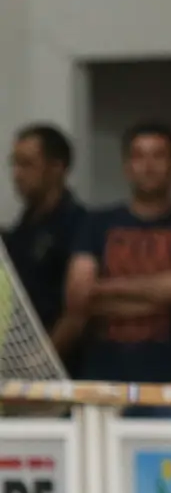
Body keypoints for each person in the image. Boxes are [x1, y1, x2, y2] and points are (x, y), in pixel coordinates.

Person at [56, 122, 171, 403]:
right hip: (101, 383)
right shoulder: (96, 223)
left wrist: (102, 290)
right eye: (139, 156)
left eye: (158, 156)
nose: (148, 165)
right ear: (127, 166)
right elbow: (78, 295)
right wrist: (159, 295)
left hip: (170, 386)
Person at [4, 124, 85, 346]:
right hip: (15, 355)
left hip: (58, 368)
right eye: (14, 164)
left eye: (27, 164)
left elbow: (77, 313)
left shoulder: (80, 226)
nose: (17, 175)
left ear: (57, 167)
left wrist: (40, 360)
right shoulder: (21, 229)